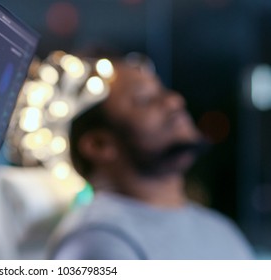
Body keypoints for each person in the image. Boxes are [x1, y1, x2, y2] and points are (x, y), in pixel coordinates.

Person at [47, 57, 254, 259]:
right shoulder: (97, 242)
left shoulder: (219, 228)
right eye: (144, 99)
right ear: (100, 145)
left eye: (162, 92)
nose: (174, 100)